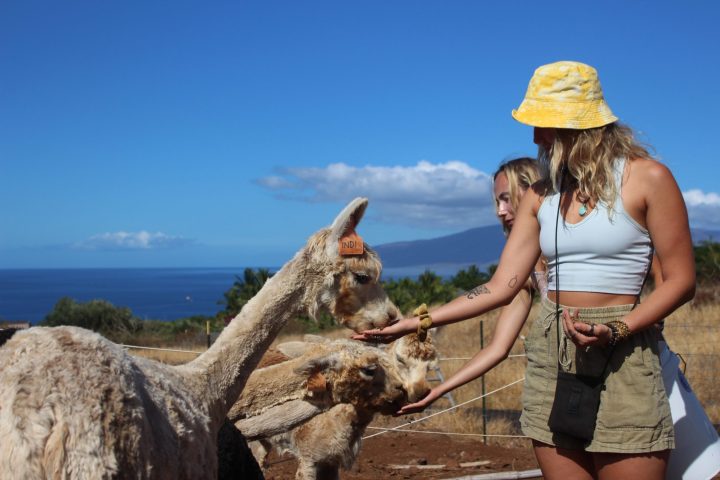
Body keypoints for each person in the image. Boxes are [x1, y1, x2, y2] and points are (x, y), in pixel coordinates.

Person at [355, 61, 696, 479]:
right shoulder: (540, 195)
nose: (535, 138)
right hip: (551, 357)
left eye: (544, 124)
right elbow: (501, 286)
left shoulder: (649, 179)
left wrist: (619, 328)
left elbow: (680, 281)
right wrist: (414, 323)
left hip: (624, 356)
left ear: (581, 125)